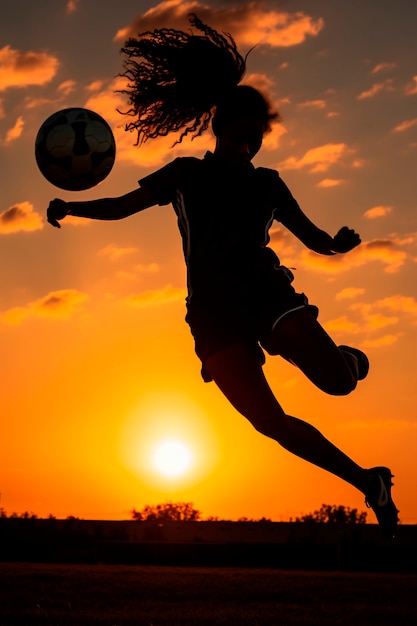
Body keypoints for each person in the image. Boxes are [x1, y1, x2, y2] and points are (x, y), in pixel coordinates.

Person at [47, 15, 398, 538]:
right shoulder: (186, 175)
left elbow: (315, 239)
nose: (248, 144)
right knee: (269, 424)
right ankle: (368, 482)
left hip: (265, 294)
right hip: (211, 316)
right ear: (220, 130)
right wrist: (73, 208)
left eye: (255, 138)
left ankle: (348, 358)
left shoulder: (270, 184)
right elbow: (122, 207)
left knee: (340, 385)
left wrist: (338, 244)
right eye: (240, 135)